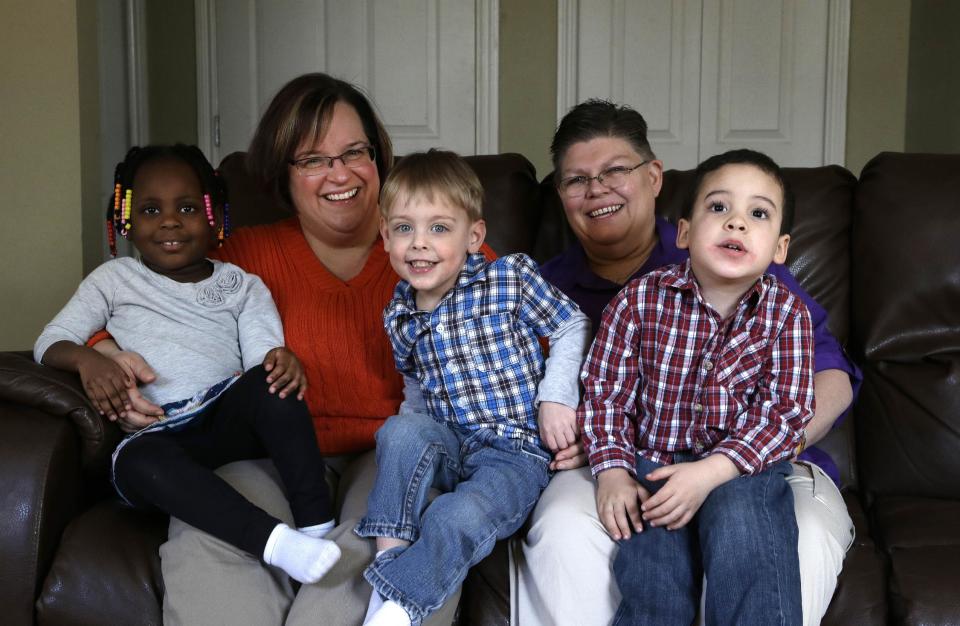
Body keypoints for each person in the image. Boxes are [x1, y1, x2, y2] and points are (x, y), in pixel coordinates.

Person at [95, 75, 467, 625]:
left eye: (354, 153)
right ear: (282, 175)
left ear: (379, 158)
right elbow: (118, 301)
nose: (338, 174)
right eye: (311, 159)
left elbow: (517, 330)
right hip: (264, 451)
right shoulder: (237, 259)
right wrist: (105, 354)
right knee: (212, 536)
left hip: (391, 449)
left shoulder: (439, 243)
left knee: (387, 537)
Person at [513, 100, 860, 626]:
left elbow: (821, 383)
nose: (597, 189)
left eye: (615, 171)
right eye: (575, 179)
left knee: (782, 534)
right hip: (633, 460)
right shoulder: (541, 290)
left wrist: (724, 464)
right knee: (577, 532)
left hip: (758, 463)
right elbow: (559, 394)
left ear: (655, 177)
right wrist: (600, 448)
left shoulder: (754, 276)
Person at [34, 144, 340, 586]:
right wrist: (87, 359)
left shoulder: (243, 285)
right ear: (125, 220)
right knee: (137, 461)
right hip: (158, 434)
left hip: (224, 421)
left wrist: (281, 360)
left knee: (273, 385)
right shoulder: (113, 279)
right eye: (150, 210)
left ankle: (318, 525)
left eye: (188, 207)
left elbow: (262, 362)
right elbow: (50, 342)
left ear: (215, 216)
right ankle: (279, 544)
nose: (170, 221)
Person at [356, 150, 590, 626]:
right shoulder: (399, 314)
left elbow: (571, 326)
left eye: (439, 228)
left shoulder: (510, 277)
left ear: (474, 236)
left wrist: (556, 397)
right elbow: (415, 389)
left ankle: (398, 605)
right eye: (404, 228)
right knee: (399, 431)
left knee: (455, 516)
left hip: (515, 452)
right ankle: (389, 556)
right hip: (448, 443)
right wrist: (409, 441)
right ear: (385, 237)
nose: (419, 244)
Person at [582, 148, 813, 624]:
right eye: (718, 207)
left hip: (742, 468)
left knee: (746, 527)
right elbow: (605, 393)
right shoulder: (640, 300)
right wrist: (611, 471)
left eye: (758, 214)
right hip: (657, 463)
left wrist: (712, 471)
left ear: (780, 248)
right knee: (651, 568)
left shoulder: (787, 314)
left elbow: (786, 414)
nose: (737, 224)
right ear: (684, 232)